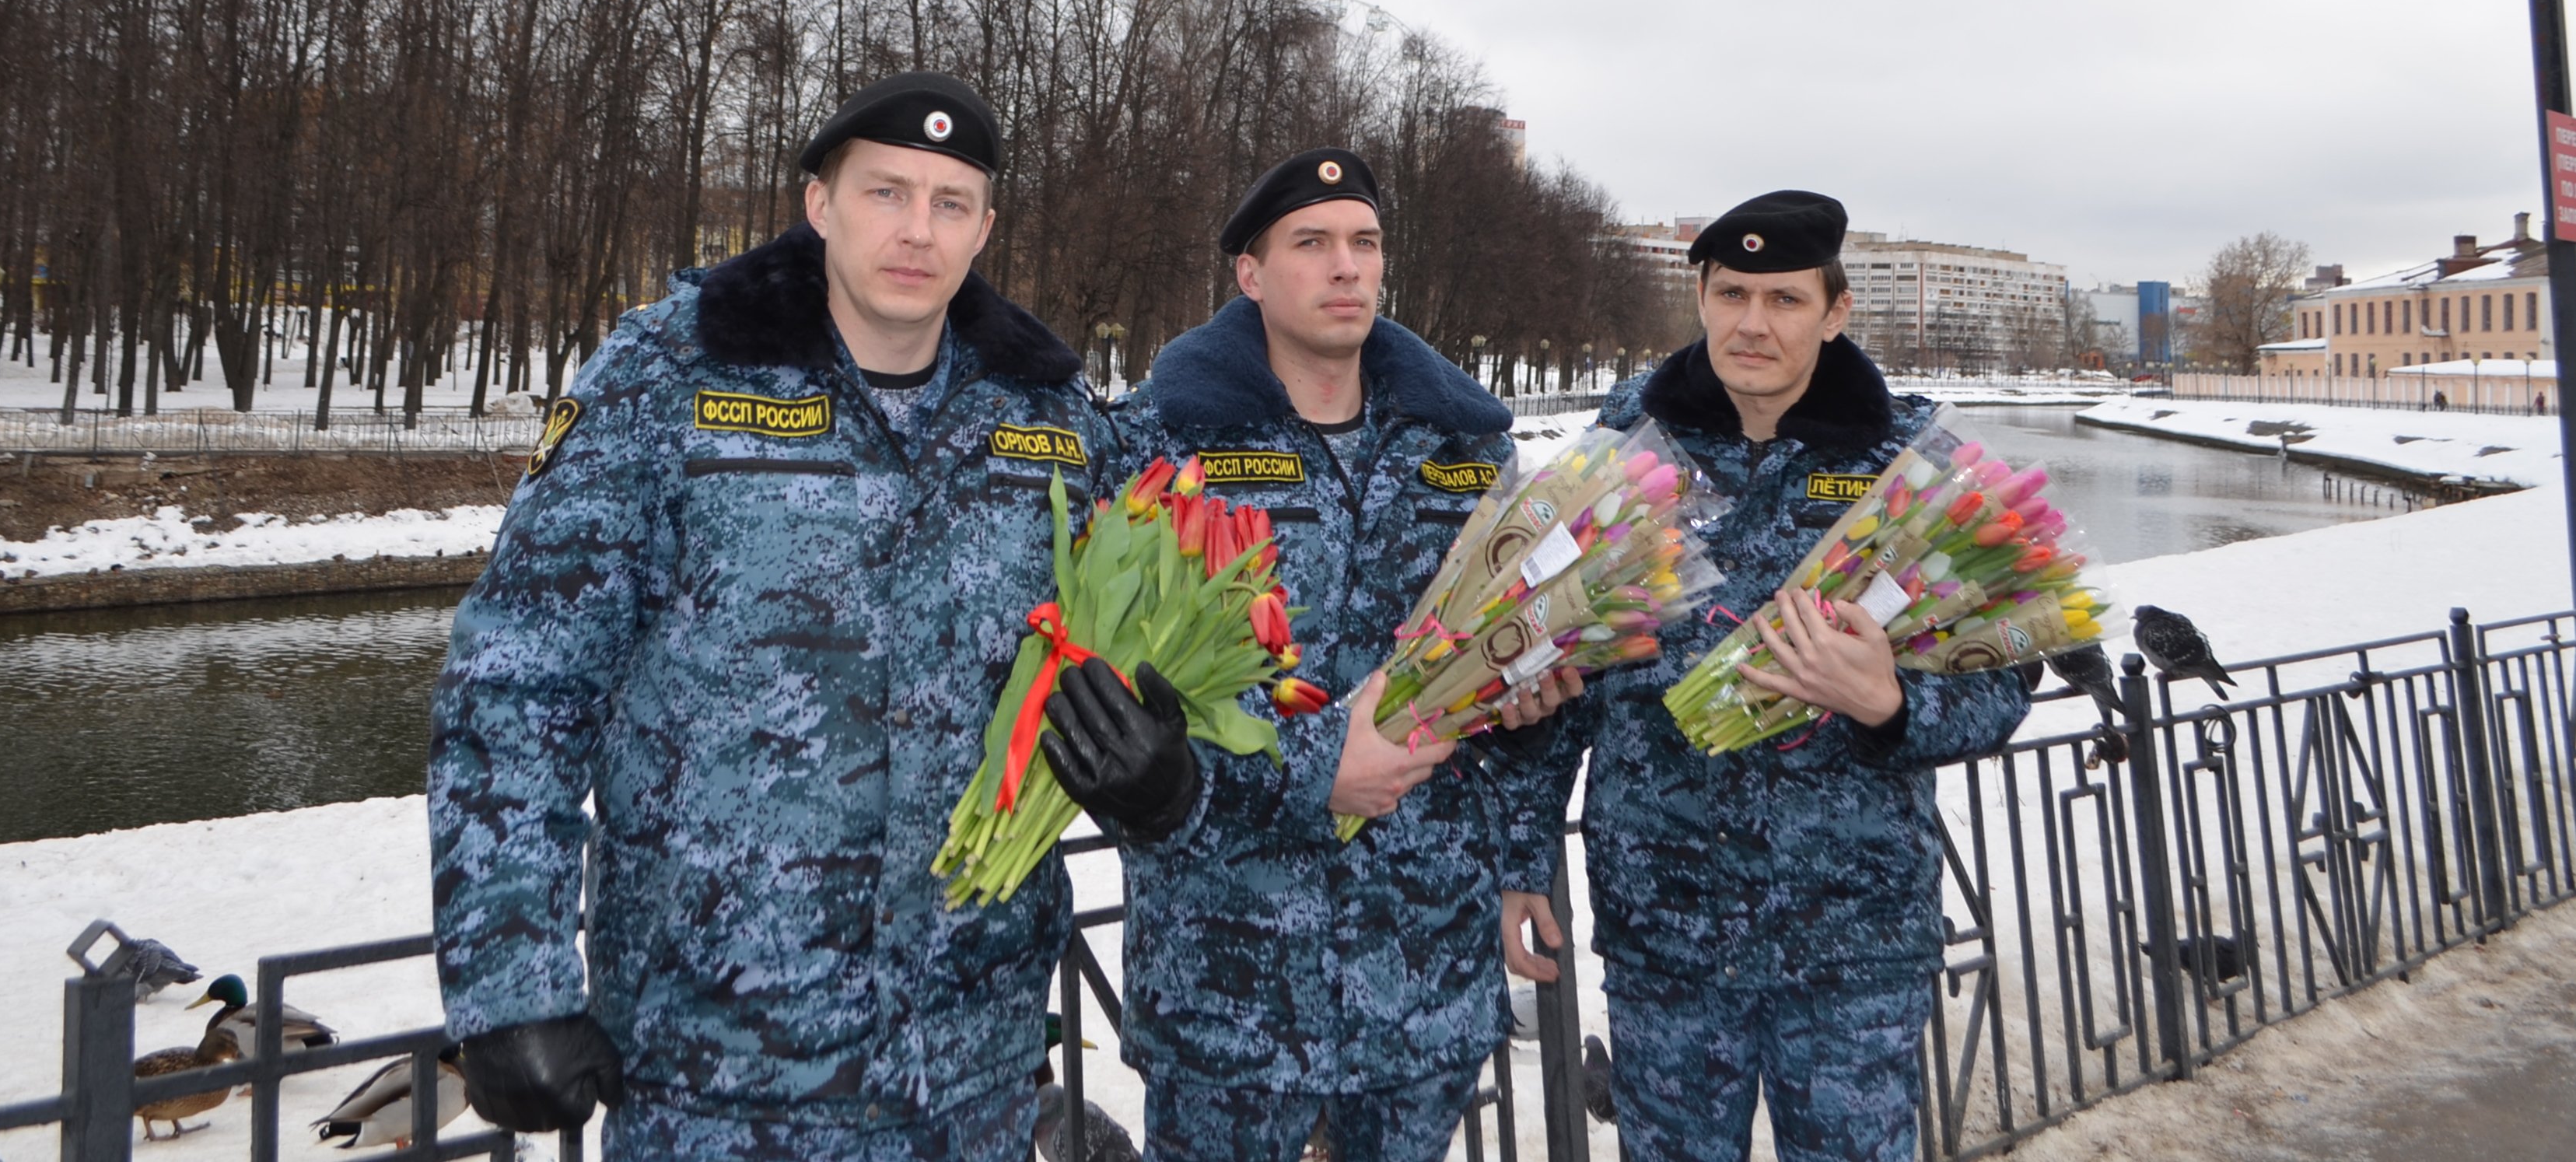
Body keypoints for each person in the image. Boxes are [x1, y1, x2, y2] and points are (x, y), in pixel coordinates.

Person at [429, 73, 1112, 1160]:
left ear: (985, 227)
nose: (916, 232)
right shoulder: (668, 376)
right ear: (820, 203)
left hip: (969, 1073)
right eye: (887, 192)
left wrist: (1156, 771)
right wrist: (509, 983)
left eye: (949, 203)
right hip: (717, 1065)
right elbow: (519, 685)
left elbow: (1110, 677)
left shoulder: (1052, 420)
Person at [1053, 148, 1579, 1162]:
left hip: (1420, 973)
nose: (1346, 268)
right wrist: (1311, 771)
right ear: (1249, 272)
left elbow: (1516, 683)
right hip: (1228, 982)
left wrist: (1532, 707)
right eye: (1312, 244)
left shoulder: (1464, 452)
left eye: (1365, 243)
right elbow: (1113, 707)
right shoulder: (1159, 449)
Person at [1499, 190, 2032, 1162]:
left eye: (1784, 300)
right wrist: (1524, 858)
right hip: (1665, 931)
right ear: (1699, 296)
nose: (1752, 323)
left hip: (1852, 935)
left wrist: (1893, 704)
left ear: (1834, 312)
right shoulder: (1621, 456)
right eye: (1731, 292)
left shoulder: (1910, 462)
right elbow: (1555, 675)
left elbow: (2005, 681)